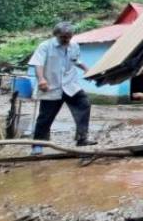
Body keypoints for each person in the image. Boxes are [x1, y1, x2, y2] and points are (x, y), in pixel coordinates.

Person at [28, 22, 96, 155]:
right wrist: (41, 79)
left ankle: (82, 138)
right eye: (63, 37)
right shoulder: (45, 46)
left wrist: (87, 70)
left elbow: (76, 60)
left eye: (69, 36)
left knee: (84, 104)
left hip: (70, 85)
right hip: (52, 86)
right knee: (45, 116)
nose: (66, 39)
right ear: (56, 34)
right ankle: (38, 145)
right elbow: (38, 64)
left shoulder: (74, 46)